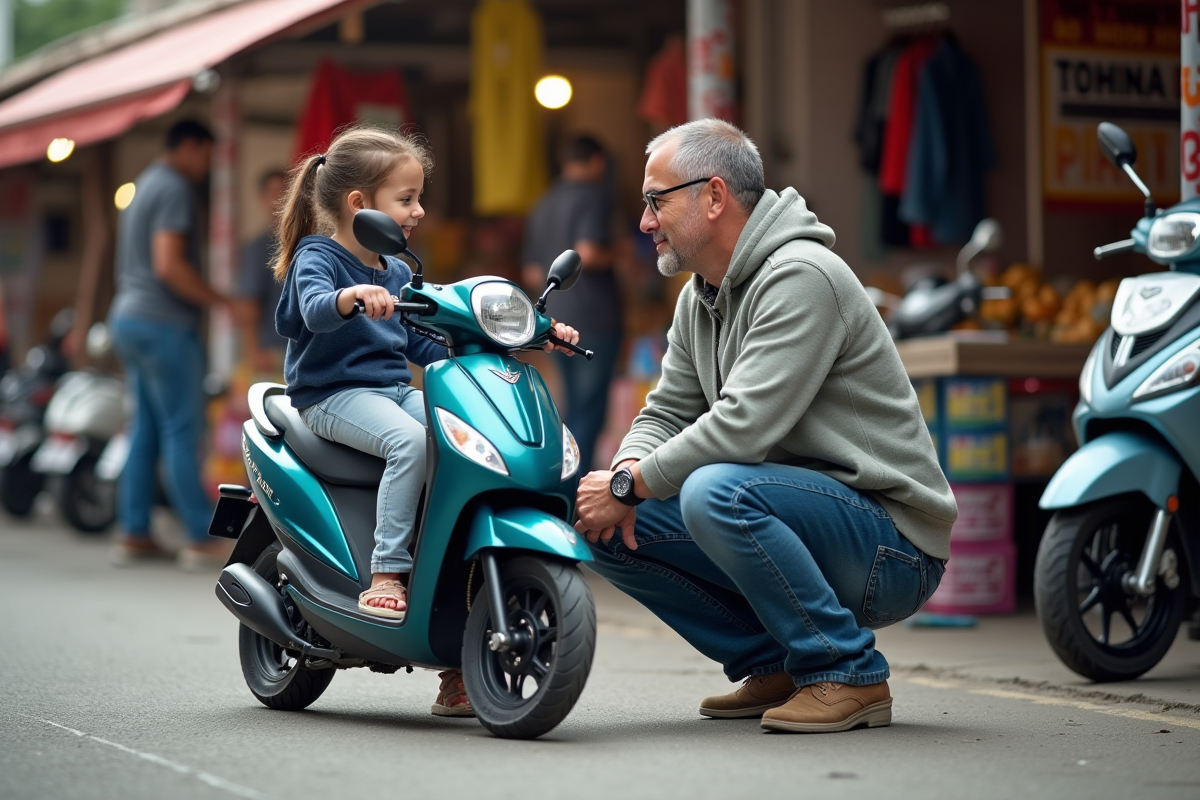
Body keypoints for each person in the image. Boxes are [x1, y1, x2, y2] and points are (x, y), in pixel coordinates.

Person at [574, 119, 958, 734]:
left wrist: (630, 484)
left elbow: (743, 426)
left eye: (655, 201)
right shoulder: (699, 297)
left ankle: (848, 671)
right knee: (604, 525)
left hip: (892, 548)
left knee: (713, 490)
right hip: (801, 514)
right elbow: (666, 412)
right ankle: (776, 664)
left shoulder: (802, 275)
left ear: (714, 196)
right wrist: (623, 475)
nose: (644, 222)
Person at [273, 126, 580, 715]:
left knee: (470, 444)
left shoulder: (395, 270)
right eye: (407, 199)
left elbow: (426, 340)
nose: (419, 211)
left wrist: (534, 334)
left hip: (390, 390)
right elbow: (311, 312)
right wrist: (349, 299)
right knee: (412, 444)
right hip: (332, 395)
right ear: (360, 205)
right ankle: (388, 574)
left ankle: (454, 629)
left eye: (418, 198)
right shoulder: (319, 257)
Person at [108, 119, 230, 570]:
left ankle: (134, 530)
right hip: (162, 324)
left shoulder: (144, 183)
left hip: (128, 318)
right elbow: (168, 265)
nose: (207, 167)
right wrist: (221, 301)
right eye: (207, 156)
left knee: (145, 430)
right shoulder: (175, 188)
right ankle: (200, 535)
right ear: (192, 146)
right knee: (182, 431)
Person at [522, 135, 622, 473]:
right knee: (589, 411)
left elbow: (532, 271)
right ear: (597, 162)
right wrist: (618, 253)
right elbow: (588, 252)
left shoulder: (543, 202)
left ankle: (562, 476)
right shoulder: (593, 196)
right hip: (594, 318)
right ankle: (578, 486)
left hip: (555, 321)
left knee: (570, 406)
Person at [232, 169, 289, 376]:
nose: (280, 200)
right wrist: (254, 351)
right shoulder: (258, 248)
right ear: (262, 199)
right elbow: (248, 306)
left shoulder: (309, 242)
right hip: (272, 354)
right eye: (274, 193)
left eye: (285, 192)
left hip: (306, 350)